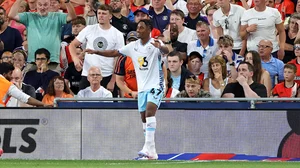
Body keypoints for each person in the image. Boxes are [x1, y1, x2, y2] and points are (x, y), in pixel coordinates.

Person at [85, 19, 170, 160]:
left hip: (156, 85)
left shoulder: (155, 43)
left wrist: (160, 47)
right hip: (142, 87)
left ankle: (147, 146)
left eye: (141, 28)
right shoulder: (133, 46)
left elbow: (166, 50)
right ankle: (152, 151)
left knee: (150, 111)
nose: (138, 30)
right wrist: (96, 51)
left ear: (149, 29)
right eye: (137, 28)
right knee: (144, 117)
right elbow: (114, 52)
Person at [69, 4, 124, 97]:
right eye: (99, 13)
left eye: (104, 13)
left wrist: (113, 80)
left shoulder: (117, 34)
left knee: (110, 107)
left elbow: (118, 58)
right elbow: (72, 45)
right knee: (82, 105)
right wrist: (75, 59)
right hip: (88, 74)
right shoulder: (89, 29)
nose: (101, 16)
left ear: (110, 16)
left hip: (107, 75)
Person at [8, 0, 77, 73]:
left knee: (53, 84)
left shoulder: (57, 16)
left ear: (50, 4)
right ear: (36, 5)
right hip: (33, 62)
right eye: (40, 5)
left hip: (52, 62)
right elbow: (11, 15)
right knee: (26, 83)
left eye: (45, 5)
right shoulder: (28, 16)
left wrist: (67, 1)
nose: (42, 7)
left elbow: (72, 17)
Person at [114, 31, 138, 98]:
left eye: (134, 41)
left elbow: (162, 66)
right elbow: (119, 80)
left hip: (145, 94)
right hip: (129, 96)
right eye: (130, 41)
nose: (132, 43)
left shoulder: (146, 55)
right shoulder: (123, 58)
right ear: (126, 42)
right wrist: (131, 93)